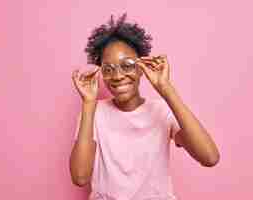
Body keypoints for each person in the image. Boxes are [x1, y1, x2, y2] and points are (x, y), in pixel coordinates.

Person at [70, 13, 220, 200]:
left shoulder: (162, 111)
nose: (117, 76)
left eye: (127, 65)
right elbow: (80, 176)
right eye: (108, 69)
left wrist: (165, 88)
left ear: (141, 67)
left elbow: (209, 157)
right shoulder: (94, 112)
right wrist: (88, 103)